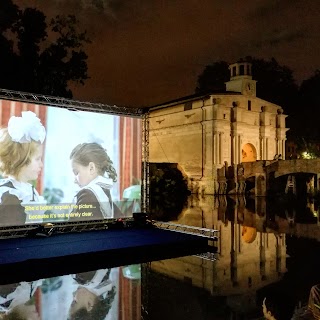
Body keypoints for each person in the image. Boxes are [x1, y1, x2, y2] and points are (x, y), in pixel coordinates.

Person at [0, 111, 46, 225]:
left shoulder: (31, 191)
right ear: (20, 160)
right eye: (37, 159)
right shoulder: (7, 194)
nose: (41, 164)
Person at [69, 142, 121, 220]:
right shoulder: (104, 191)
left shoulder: (87, 195)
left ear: (91, 168)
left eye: (76, 172)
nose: (74, 180)